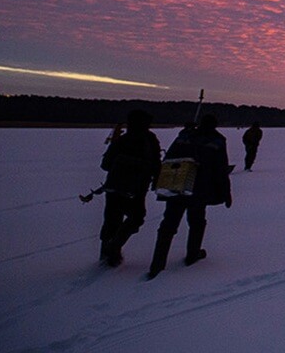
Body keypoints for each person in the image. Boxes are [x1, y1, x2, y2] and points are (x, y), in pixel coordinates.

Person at [147, 114, 233, 279]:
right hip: (195, 189)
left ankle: (158, 263)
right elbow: (221, 170)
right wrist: (225, 192)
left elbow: (169, 158)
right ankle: (190, 255)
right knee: (194, 222)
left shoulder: (186, 136)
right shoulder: (215, 141)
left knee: (171, 224)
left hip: (180, 187)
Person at [98, 109, 161, 266]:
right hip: (136, 188)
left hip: (113, 186)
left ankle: (107, 255)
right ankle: (114, 247)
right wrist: (156, 180)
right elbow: (156, 164)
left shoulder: (121, 140)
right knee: (136, 217)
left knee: (111, 220)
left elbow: (105, 165)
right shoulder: (149, 139)